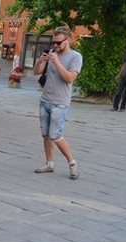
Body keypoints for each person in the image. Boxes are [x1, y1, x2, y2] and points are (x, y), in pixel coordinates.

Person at [32, 26, 83, 180]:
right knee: (46, 135)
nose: (55, 45)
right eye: (53, 42)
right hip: (45, 100)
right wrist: (40, 61)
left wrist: (57, 62)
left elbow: (70, 78)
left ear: (67, 41)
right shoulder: (52, 53)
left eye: (58, 43)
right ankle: (49, 163)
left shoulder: (76, 57)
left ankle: (72, 163)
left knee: (56, 135)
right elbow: (37, 72)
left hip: (60, 102)